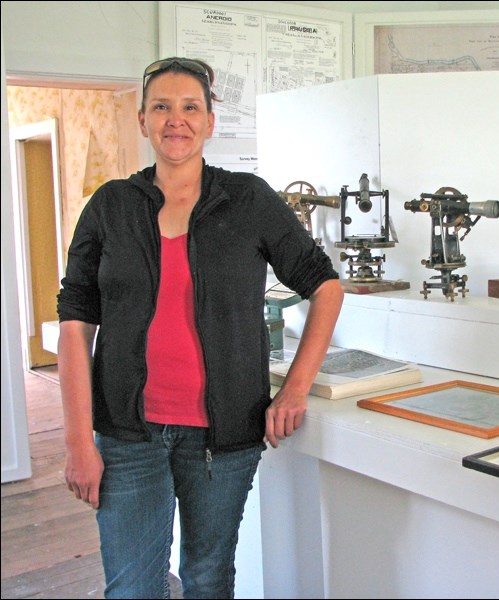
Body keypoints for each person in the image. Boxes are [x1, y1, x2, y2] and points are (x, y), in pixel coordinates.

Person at [56, 57, 344, 599]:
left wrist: (296, 389)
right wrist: (77, 442)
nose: (175, 120)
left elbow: (324, 286)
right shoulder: (110, 206)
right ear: (143, 120)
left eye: (190, 107)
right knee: (131, 588)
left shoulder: (248, 199)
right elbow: (75, 325)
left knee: (209, 579)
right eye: (161, 107)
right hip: (127, 434)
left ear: (210, 122)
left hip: (224, 436)